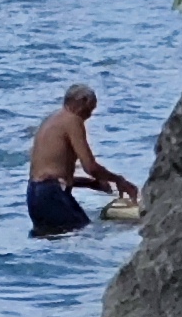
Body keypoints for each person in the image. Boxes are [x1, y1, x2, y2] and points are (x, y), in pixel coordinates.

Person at [27, 82, 137, 237]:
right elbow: (90, 167)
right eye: (90, 109)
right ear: (80, 102)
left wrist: (91, 183)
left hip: (34, 195)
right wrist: (119, 181)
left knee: (55, 239)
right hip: (52, 195)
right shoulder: (72, 120)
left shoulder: (51, 120)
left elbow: (50, 175)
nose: (90, 115)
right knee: (88, 234)